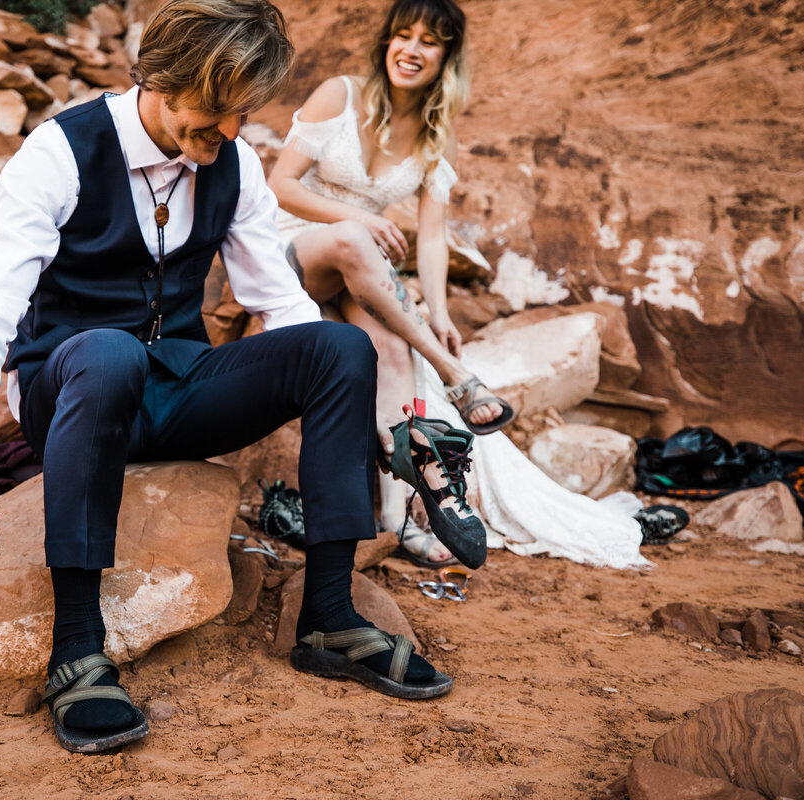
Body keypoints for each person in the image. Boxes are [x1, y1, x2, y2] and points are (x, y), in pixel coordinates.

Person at [0, 0, 458, 756]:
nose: (232, 134)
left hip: (177, 386)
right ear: (160, 80)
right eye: (215, 111)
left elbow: (280, 301)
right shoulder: (58, 154)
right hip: (73, 388)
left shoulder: (232, 163)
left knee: (338, 348)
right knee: (107, 353)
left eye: (243, 113)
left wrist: (363, 419)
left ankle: (329, 617)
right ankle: (77, 650)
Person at [269, 0, 652, 572]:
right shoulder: (340, 94)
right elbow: (280, 185)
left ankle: (394, 521)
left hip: (364, 265)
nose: (412, 49)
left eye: (429, 40)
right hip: (301, 246)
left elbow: (430, 236)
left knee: (393, 349)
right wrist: (363, 221)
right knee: (353, 239)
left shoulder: (436, 134)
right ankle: (457, 378)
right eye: (403, 35)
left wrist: (441, 311)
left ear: (447, 56)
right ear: (386, 44)